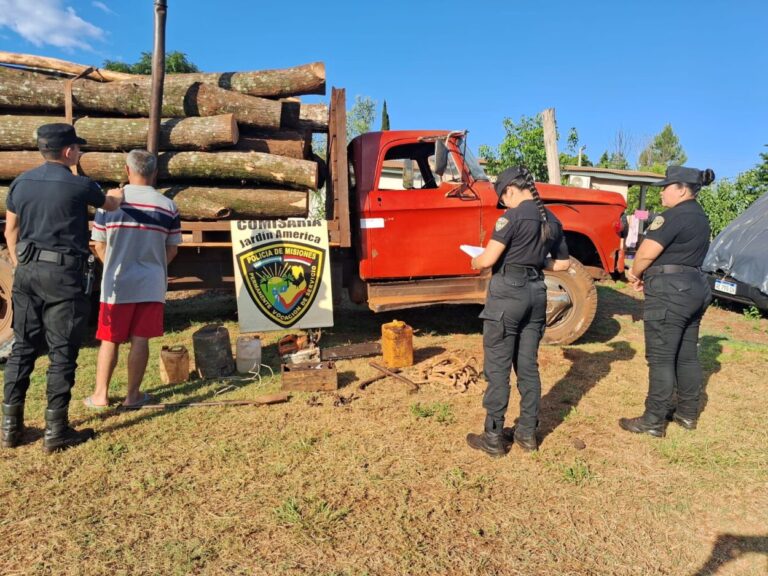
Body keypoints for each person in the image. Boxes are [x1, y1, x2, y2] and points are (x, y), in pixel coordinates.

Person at [2, 123, 123, 452]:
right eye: (78, 148)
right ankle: (56, 431)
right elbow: (110, 205)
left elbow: (11, 230)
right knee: (61, 353)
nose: (79, 153)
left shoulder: (21, 182)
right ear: (68, 151)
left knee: (23, 348)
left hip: (27, 271)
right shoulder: (80, 184)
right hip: (63, 277)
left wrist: (19, 263)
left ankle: (10, 429)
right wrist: (118, 194)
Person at [466, 167, 570, 457]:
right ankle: (527, 433)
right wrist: (535, 262)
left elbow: (488, 259)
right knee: (527, 367)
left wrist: (475, 261)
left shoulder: (510, 218)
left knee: (498, 368)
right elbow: (563, 264)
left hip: (508, 296)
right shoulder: (552, 219)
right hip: (537, 294)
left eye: (503, 198)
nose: (504, 204)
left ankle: (493, 437)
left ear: (510, 190)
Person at [620, 166, 714, 437]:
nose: (661, 192)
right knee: (686, 355)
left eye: (666, 187)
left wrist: (635, 273)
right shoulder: (701, 217)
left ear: (682, 189)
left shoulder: (673, 216)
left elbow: (646, 254)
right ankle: (687, 413)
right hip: (695, 287)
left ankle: (653, 420)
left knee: (661, 357)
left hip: (671, 292)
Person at [84, 149, 181, 410]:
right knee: (141, 339)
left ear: (127, 170)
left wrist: (114, 266)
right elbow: (172, 249)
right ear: (155, 173)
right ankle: (133, 395)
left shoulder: (109, 203)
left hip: (117, 283)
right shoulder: (168, 206)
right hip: (151, 283)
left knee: (110, 339)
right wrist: (155, 267)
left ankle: (100, 395)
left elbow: (99, 244)